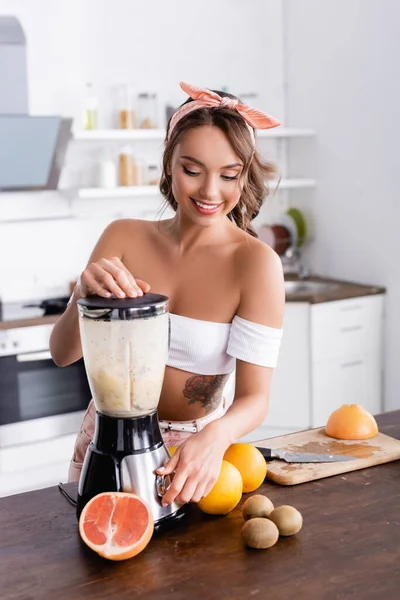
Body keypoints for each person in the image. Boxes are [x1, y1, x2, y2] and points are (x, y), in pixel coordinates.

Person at [50, 81, 285, 508]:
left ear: (244, 175)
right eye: (192, 170)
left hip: (195, 452)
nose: (210, 192)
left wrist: (216, 439)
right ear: (169, 164)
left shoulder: (256, 264)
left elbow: (256, 398)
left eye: (229, 175)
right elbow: (63, 353)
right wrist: (85, 291)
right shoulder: (122, 237)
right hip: (106, 434)